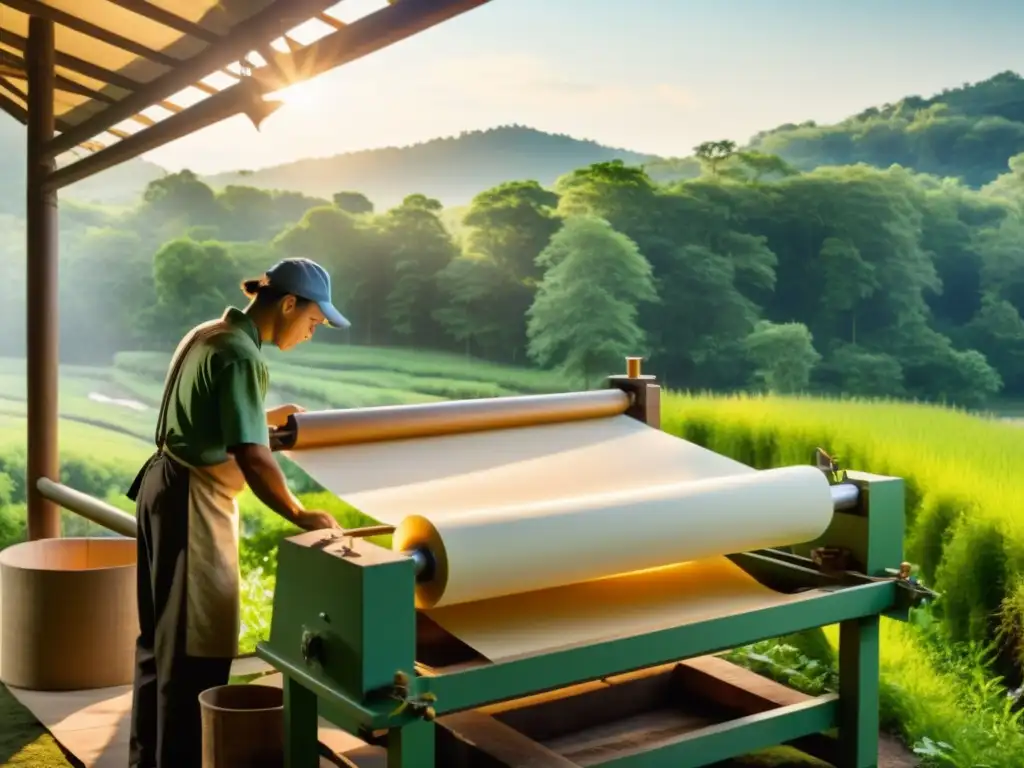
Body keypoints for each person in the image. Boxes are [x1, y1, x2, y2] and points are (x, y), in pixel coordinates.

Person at [127, 258, 347, 768]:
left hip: (161, 490)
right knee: (194, 657)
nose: (312, 333)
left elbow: (213, 422)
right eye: (313, 321)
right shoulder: (242, 356)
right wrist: (300, 513)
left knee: (159, 648)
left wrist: (274, 420)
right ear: (288, 304)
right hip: (191, 506)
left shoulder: (210, 334)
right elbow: (249, 454)